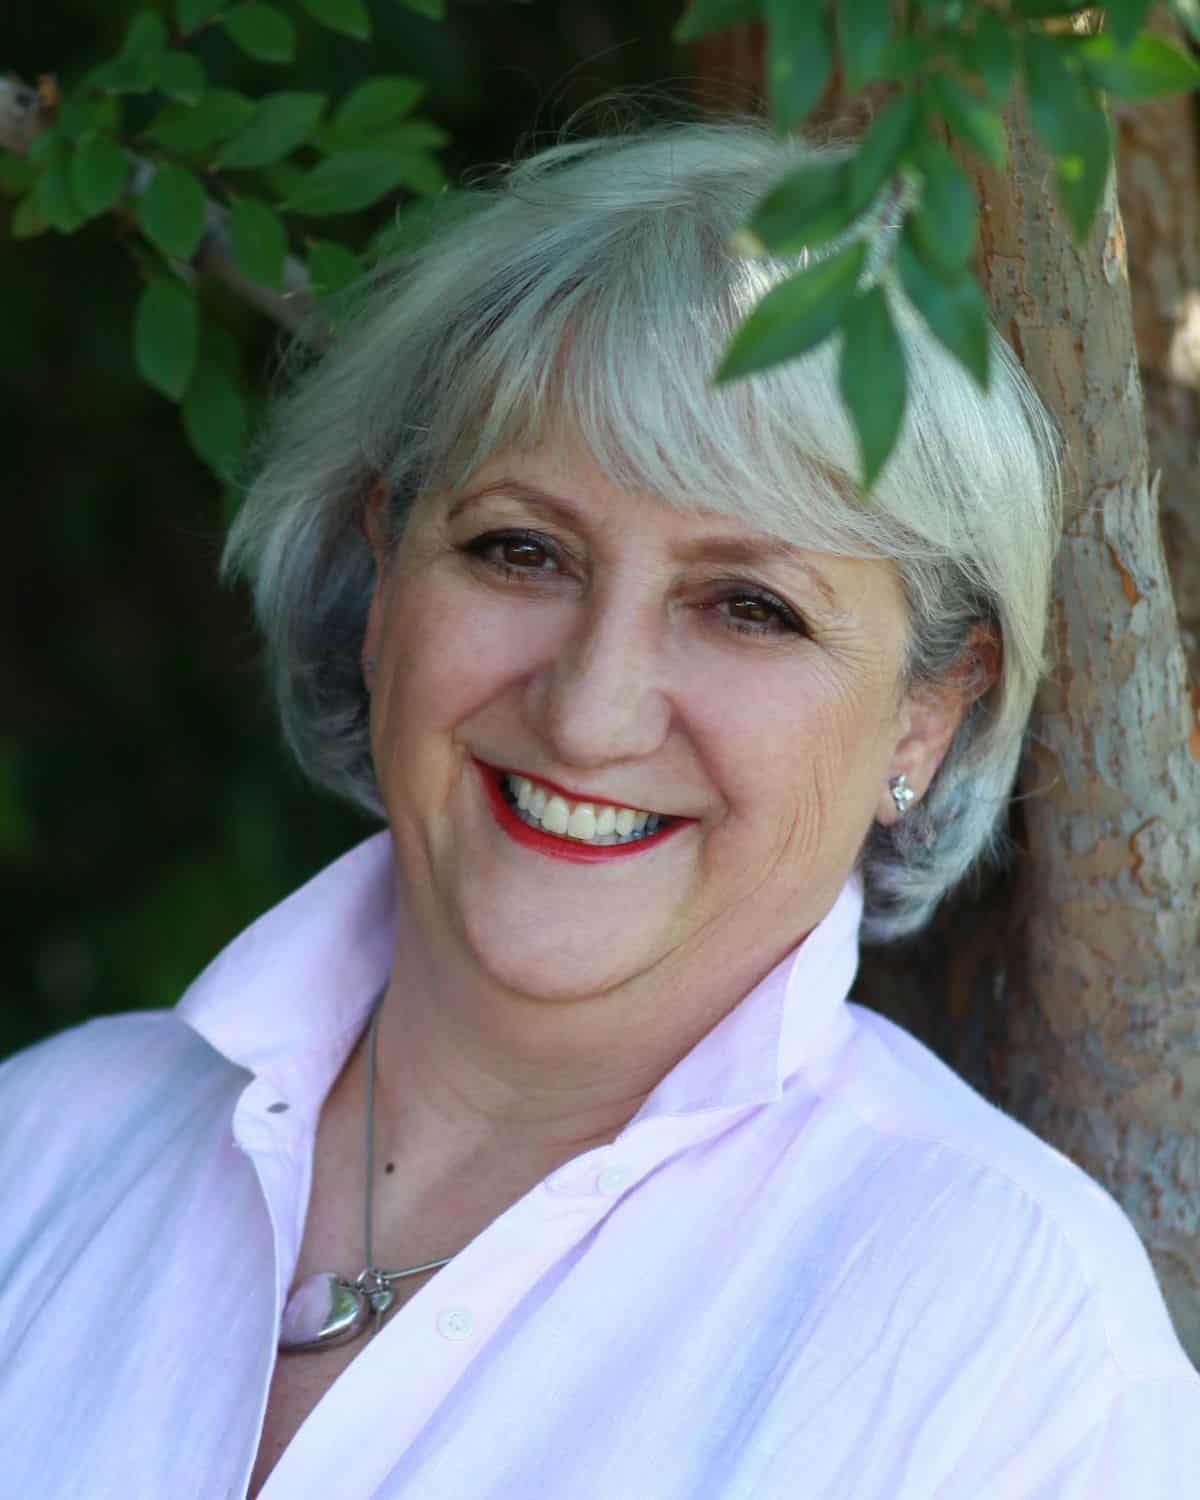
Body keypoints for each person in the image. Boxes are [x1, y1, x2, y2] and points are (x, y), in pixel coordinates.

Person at [2, 112, 1198, 1500]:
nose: (588, 709)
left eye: (750, 607)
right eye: (521, 550)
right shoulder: (47, 1147)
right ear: (387, 574)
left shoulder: (1014, 1352)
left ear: (929, 711)